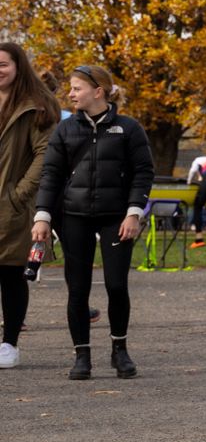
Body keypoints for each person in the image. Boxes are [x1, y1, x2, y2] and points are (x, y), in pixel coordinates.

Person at [31, 64, 155, 379]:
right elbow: (51, 174)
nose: (70, 94)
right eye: (71, 89)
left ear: (97, 91)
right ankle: (81, 356)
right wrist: (43, 215)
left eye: (76, 88)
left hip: (117, 217)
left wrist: (134, 212)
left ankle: (120, 350)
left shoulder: (129, 128)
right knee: (78, 289)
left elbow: (143, 173)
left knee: (116, 285)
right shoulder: (65, 129)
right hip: (74, 217)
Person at [0, 43, 59, 371]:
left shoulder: (37, 106)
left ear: (18, 67)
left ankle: (9, 344)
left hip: (13, 204)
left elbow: (45, 154)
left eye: (3, 64)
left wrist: (19, 194)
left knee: (10, 273)